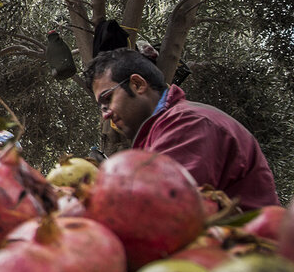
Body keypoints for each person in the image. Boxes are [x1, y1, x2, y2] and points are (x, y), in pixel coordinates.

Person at [83, 48, 279, 209]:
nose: (105, 114)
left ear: (137, 84)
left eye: (107, 99)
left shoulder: (188, 124)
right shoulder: (162, 130)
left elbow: (159, 209)